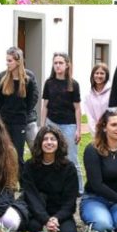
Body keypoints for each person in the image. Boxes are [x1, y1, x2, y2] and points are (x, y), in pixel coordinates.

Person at [22, 125, 79, 232]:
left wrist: (56, 218)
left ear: (59, 143)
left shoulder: (69, 168)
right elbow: (31, 196)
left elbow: (70, 201)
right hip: (38, 212)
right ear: (39, 143)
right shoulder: (29, 166)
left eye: (53, 139)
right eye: (45, 139)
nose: (49, 142)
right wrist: (46, 219)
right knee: (32, 230)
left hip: (61, 213)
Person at [40, 52, 82, 190]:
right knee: (50, 156)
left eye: (61, 63)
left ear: (67, 65)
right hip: (52, 123)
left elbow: (77, 108)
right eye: (55, 63)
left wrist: (78, 130)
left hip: (69, 125)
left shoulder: (73, 84)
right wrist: (42, 125)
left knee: (71, 157)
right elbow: (45, 105)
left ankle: (78, 189)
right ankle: (52, 186)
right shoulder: (49, 83)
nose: (58, 66)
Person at [0, 47, 39, 163]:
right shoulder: (1, 77)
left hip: (20, 122)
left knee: (18, 155)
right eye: (7, 60)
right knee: (4, 153)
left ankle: (20, 179)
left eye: (10, 61)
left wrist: (24, 113)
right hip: (5, 121)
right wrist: (4, 112)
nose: (7, 63)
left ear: (18, 61)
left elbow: (33, 98)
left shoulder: (28, 78)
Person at [82, 63, 112, 139]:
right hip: (96, 132)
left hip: (111, 130)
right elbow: (89, 116)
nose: (99, 76)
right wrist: (96, 131)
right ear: (93, 75)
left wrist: (108, 129)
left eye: (102, 73)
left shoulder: (112, 93)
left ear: (106, 75)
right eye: (96, 73)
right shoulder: (88, 96)